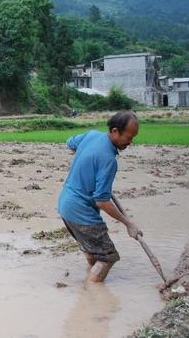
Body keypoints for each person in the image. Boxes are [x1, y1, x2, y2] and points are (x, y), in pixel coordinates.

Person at [57, 110, 143, 282]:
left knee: (92, 251)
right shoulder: (108, 160)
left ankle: (88, 281)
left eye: (133, 137)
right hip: (82, 213)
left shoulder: (91, 135)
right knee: (107, 258)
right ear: (115, 131)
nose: (130, 142)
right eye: (128, 137)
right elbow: (102, 201)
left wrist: (80, 153)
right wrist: (128, 223)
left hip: (65, 206)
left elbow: (70, 143)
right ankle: (92, 296)